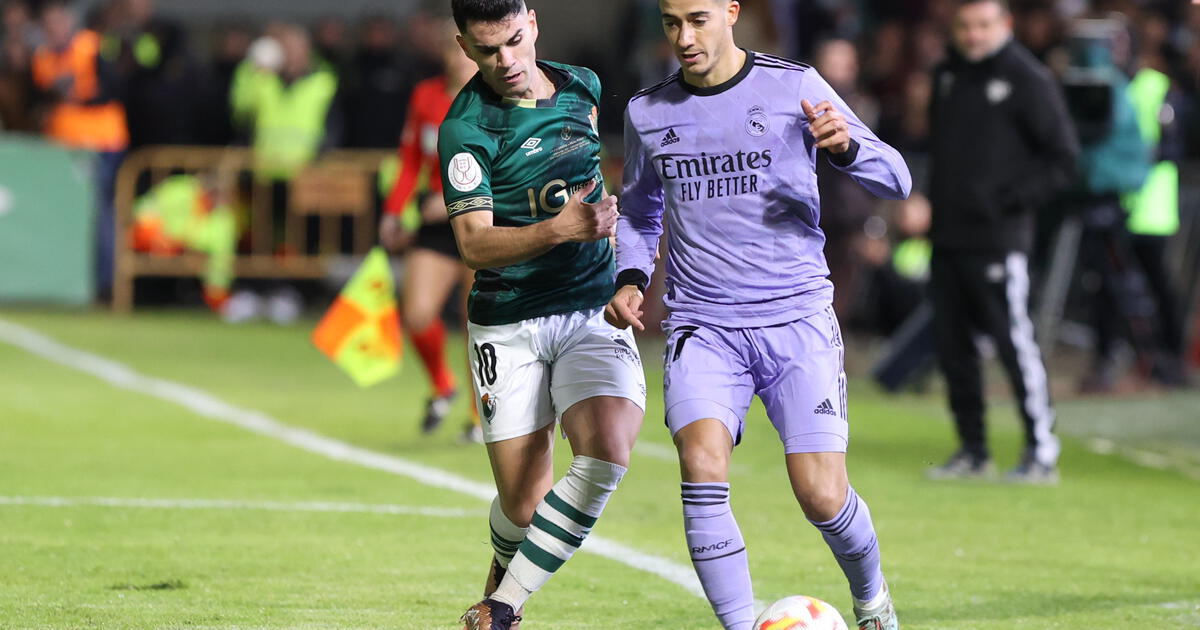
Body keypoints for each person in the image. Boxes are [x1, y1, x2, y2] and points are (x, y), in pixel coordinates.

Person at [609, 1, 911, 628]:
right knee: (700, 461)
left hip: (796, 319)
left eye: (698, 19)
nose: (684, 37)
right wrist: (633, 275)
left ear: (731, 12)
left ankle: (873, 598)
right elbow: (639, 214)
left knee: (822, 495)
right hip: (703, 324)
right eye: (671, 23)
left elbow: (898, 180)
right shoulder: (648, 111)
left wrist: (847, 146)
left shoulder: (794, 86)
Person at [441, 2, 646, 629]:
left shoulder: (583, 85)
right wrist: (560, 229)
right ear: (463, 46)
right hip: (508, 321)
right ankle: (504, 562)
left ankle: (503, 607)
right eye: (485, 51)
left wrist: (628, 267)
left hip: (590, 308)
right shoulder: (465, 129)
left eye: (511, 41)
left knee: (608, 451)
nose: (504, 61)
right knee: (524, 507)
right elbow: (474, 244)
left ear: (532, 21)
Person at [925, 0, 1078, 483]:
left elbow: (1063, 160)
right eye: (965, 26)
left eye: (983, 25)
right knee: (954, 351)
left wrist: (1006, 203)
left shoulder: (1027, 78)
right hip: (948, 237)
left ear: (1005, 25)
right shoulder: (946, 75)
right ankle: (973, 450)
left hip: (997, 240)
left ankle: (1041, 451)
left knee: (1015, 345)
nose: (973, 35)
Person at [378, 23, 480, 439]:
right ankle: (442, 384)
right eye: (454, 51)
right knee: (417, 314)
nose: (460, 59)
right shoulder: (426, 96)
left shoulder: (499, 100)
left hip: (484, 222)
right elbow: (409, 162)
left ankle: (480, 415)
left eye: (468, 52)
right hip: (436, 226)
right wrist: (393, 211)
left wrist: (460, 199)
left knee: (478, 326)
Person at [31, 0, 129, 298]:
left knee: (100, 212)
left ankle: (106, 284)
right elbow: (42, 101)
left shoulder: (92, 46)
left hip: (101, 143)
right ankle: (67, 280)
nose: (54, 29)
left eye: (58, 21)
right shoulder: (43, 58)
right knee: (66, 214)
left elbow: (116, 89)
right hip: (63, 149)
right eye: (49, 24)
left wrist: (80, 100)